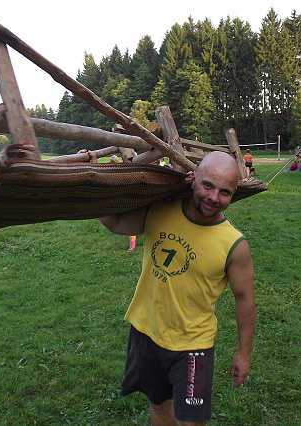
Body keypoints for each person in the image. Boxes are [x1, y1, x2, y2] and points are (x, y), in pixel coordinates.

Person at [99, 151, 256, 425]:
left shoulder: (234, 244)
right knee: (158, 404)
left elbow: (245, 298)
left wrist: (243, 354)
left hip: (194, 345)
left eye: (225, 192)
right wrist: (95, 182)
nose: (214, 197)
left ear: (233, 194)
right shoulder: (161, 210)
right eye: (208, 185)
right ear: (193, 179)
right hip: (147, 331)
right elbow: (115, 222)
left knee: (192, 421)